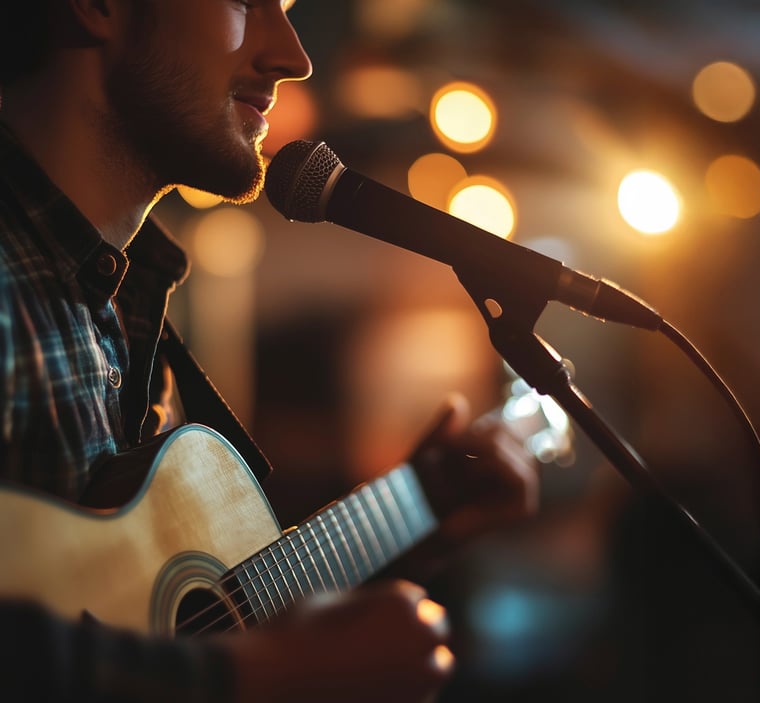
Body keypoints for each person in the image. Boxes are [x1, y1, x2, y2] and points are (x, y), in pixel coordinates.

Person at [0, 0, 539, 700]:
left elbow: (143, 617)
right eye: (247, 2)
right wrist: (262, 675)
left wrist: (421, 514)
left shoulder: (120, 304)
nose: (295, 57)